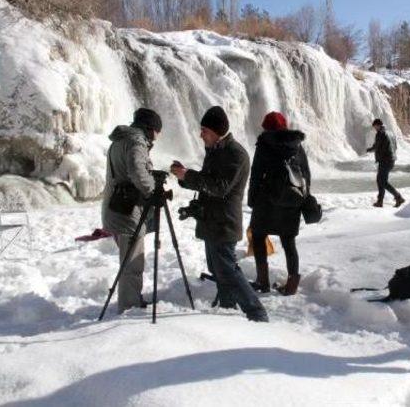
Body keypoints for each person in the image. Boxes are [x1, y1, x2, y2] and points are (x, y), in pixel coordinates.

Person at [170, 106, 268, 322]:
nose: (200, 134)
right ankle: (228, 309)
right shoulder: (216, 151)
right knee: (218, 268)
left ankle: (256, 312)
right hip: (211, 221)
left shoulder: (236, 154)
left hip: (224, 222)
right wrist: (184, 177)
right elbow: (206, 182)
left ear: (216, 131)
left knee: (228, 270)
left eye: (204, 130)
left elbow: (220, 187)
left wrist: (189, 175)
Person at [102, 108, 161, 314]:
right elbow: (137, 171)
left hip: (114, 207)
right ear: (150, 129)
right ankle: (129, 307)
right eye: (157, 131)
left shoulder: (119, 140)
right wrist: (153, 191)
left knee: (128, 259)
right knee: (132, 263)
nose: (158, 137)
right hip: (127, 211)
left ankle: (131, 298)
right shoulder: (137, 143)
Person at [248, 112, 311, 295]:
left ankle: (262, 281)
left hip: (266, 201)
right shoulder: (297, 145)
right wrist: (304, 198)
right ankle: (292, 285)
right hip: (291, 200)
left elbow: (256, 174)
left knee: (259, 237)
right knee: (289, 242)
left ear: (266, 127)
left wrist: (252, 199)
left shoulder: (264, 144)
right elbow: (306, 174)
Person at [366, 119, 405, 208]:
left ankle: (398, 197)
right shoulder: (390, 133)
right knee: (382, 181)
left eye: (375, 126)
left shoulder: (381, 133)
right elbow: (395, 146)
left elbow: (377, 146)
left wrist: (368, 150)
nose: (374, 128)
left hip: (385, 160)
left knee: (381, 181)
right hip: (391, 160)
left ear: (378, 125)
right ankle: (380, 201)